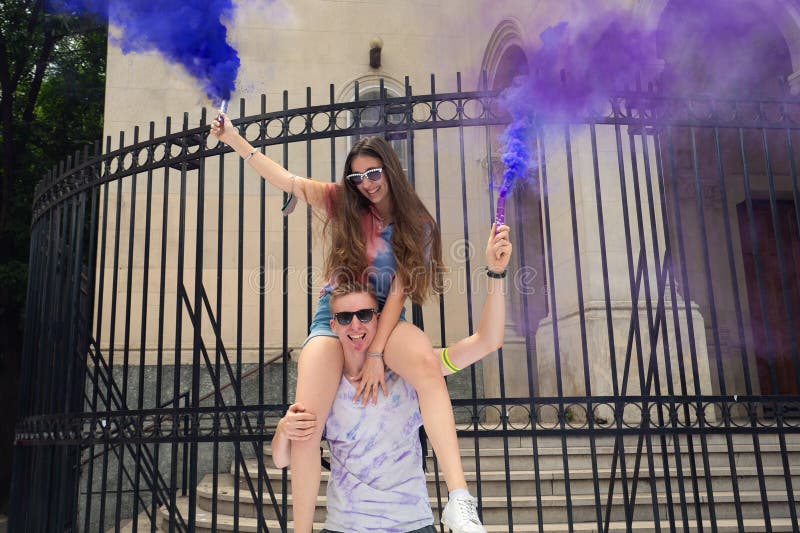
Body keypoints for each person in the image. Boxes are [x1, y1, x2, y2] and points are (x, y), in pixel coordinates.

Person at [210, 117, 485, 532]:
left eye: (373, 173)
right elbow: (287, 180)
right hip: (335, 315)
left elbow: (398, 291)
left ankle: (459, 501)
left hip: (387, 319)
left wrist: (376, 353)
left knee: (429, 368)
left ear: (390, 169)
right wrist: (233, 139)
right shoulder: (343, 201)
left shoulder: (419, 223)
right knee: (305, 418)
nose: (367, 183)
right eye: (358, 177)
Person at [272, 225, 512, 532]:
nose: (355, 325)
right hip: (346, 527)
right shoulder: (325, 386)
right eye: (345, 318)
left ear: (379, 317)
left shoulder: (411, 372)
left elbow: (487, 341)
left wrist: (495, 272)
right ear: (333, 324)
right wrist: (282, 430)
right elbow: (282, 459)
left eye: (365, 315)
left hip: (412, 524)